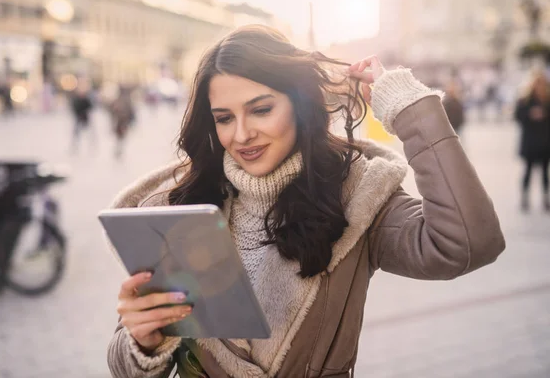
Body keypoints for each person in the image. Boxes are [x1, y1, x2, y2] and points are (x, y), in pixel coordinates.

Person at [106, 25, 505, 378]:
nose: (242, 134)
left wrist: (405, 107)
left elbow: (467, 242)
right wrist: (142, 341)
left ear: (299, 104)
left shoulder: (359, 194)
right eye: (224, 118)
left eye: (261, 109)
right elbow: (125, 363)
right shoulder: (182, 203)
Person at [515, 72, 550, 212]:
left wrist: (544, 114)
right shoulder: (525, 100)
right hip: (530, 142)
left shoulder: (547, 101)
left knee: (544, 173)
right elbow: (518, 116)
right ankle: (525, 198)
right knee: (528, 171)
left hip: (545, 142)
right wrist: (530, 114)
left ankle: (545, 199)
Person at [110, 85, 135, 159]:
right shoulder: (126, 100)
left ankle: (119, 149)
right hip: (122, 122)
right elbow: (131, 112)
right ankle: (119, 149)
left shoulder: (118, 100)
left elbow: (112, 111)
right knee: (121, 138)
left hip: (121, 122)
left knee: (120, 138)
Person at [70, 81, 94, 153]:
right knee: (76, 133)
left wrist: (85, 112)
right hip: (78, 117)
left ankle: (91, 146)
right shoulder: (76, 99)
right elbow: (74, 107)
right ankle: (75, 146)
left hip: (85, 118)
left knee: (89, 133)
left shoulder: (86, 99)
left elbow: (91, 107)